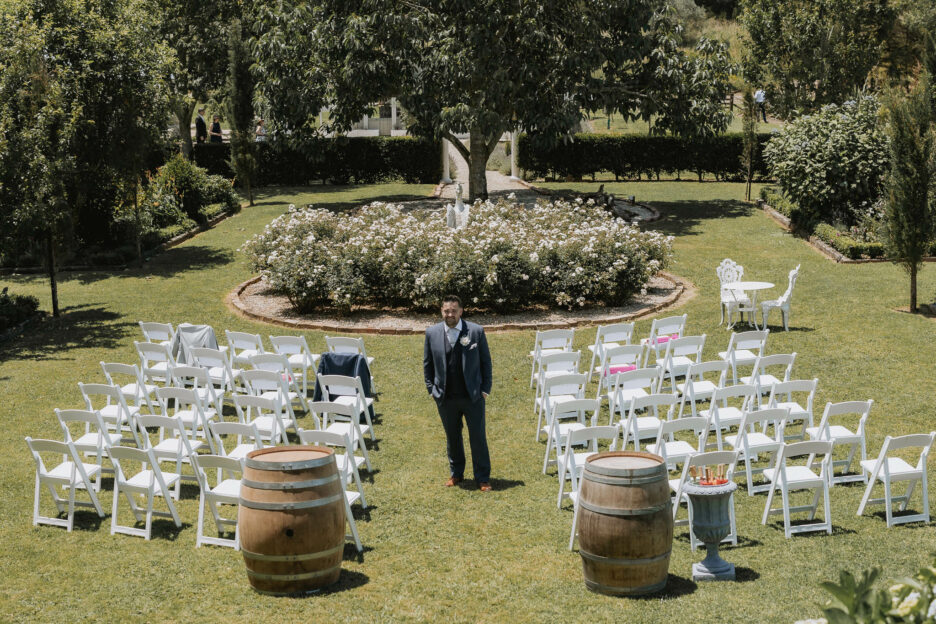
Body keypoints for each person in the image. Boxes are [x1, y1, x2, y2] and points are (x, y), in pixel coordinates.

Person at [423, 295, 493, 491]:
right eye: (446, 311)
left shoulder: (476, 331)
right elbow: (427, 365)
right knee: (452, 437)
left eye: (454, 310)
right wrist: (432, 390)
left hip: (473, 396)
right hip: (445, 398)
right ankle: (456, 473)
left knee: (477, 437)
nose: (450, 314)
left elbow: (486, 362)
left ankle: (482, 477)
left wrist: (485, 390)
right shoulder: (432, 333)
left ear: (461, 311)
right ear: (441, 311)